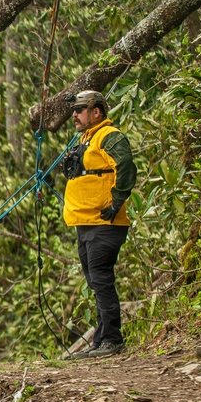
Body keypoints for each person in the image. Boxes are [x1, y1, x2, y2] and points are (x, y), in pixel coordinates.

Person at [62, 90, 137, 359]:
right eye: (75, 110)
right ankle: (101, 339)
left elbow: (126, 166)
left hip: (105, 222)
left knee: (101, 279)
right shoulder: (86, 138)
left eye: (80, 109)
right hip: (85, 222)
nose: (74, 115)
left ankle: (113, 339)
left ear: (96, 112)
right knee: (95, 281)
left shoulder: (109, 135)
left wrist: (116, 202)